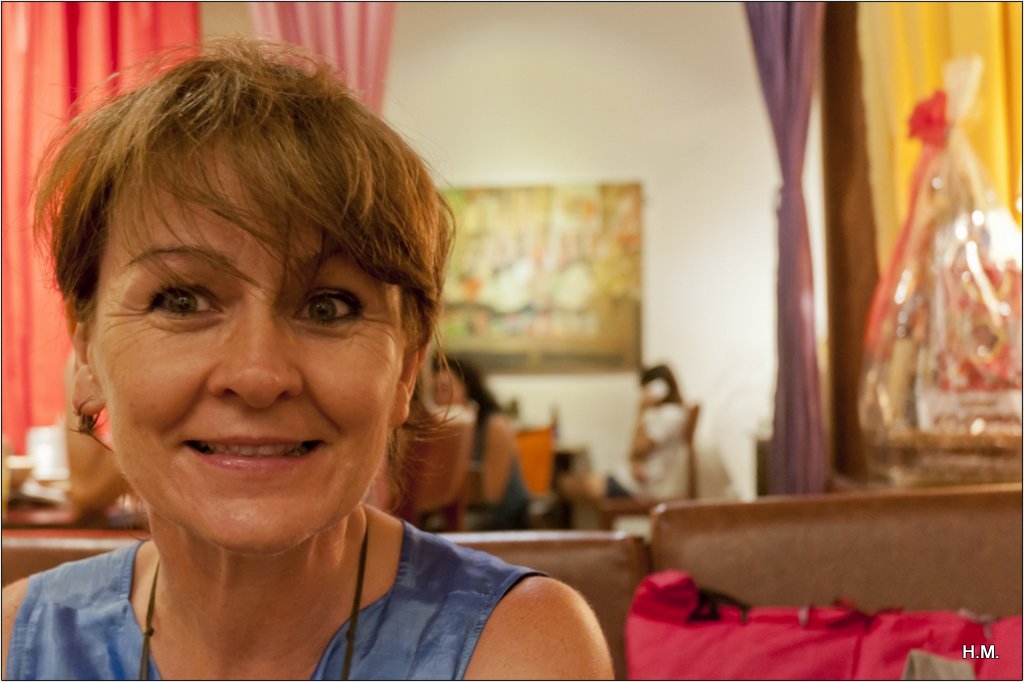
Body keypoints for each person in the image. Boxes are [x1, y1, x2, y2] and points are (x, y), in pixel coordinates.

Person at [1, 39, 611, 680]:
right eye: (181, 300)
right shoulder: (17, 643)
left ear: (406, 368)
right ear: (87, 354)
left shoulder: (516, 648)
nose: (258, 375)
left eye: (328, 307)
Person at [559, 363, 689, 502]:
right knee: (569, 483)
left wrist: (641, 410)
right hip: (630, 479)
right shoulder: (660, 414)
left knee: (565, 484)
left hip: (637, 486)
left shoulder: (670, 415)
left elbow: (638, 449)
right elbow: (634, 453)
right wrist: (634, 460)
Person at [431, 355, 532, 531]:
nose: (438, 400)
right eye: (432, 392)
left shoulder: (494, 425)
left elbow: (491, 497)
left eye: (444, 389)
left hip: (504, 521)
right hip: (465, 517)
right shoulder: (437, 431)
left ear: (467, 390)